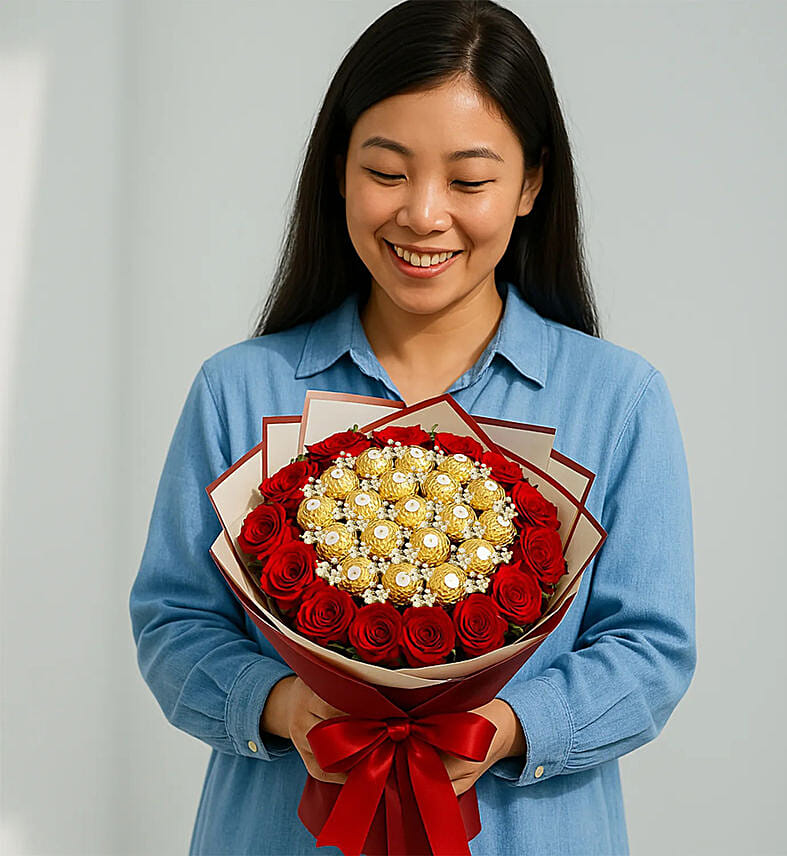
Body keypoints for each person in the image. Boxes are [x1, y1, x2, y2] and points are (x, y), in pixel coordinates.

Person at [128, 1, 696, 853]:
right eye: (386, 172)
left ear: (533, 183)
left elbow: (651, 649)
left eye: (469, 182)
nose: (424, 215)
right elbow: (174, 621)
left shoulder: (617, 400)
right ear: (338, 170)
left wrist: (504, 726)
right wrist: (284, 707)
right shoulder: (238, 389)